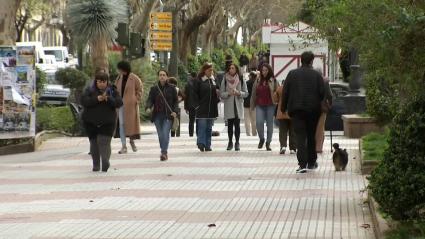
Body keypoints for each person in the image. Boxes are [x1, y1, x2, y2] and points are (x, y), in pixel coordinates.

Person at [282, 51, 325, 173]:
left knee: (300, 136)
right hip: (313, 111)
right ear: (311, 61)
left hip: (296, 110)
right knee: (311, 136)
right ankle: (312, 162)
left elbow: (285, 92)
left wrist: (283, 108)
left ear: (301, 60)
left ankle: (302, 164)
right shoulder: (317, 75)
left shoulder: (292, 74)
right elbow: (322, 93)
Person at [81, 72, 123, 172]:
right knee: (94, 143)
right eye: (99, 82)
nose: (101, 84)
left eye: (103, 82)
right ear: (96, 82)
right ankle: (96, 164)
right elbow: (84, 101)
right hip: (90, 122)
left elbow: (119, 103)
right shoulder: (90, 90)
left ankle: (105, 161)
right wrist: (97, 99)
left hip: (107, 122)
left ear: (107, 82)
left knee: (104, 142)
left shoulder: (112, 90)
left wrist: (108, 99)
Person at [145, 70, 178, 161]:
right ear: (158, 77)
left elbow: (175, 101)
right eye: (160, 75)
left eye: (164, 75)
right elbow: (150, 99)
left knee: (165, 133)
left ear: (167, 77)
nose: (162, 76)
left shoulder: (172, 88)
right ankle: (163, 149)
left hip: (168, 115)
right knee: (160, 135)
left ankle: (164, 152)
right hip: (157, 116)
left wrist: (175, 111)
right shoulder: (154, 88)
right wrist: (148, 107)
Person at [115, 61, 143, 154]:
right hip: (120, 105)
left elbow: (140, 89)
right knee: (121, 124)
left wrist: (136, 99)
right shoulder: (119, 78)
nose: (118, 70)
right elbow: (115, 89)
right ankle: (124, 146)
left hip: (130, 106)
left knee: (130, 125)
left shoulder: (134, 78)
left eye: (120, 68)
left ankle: (132, 141)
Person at [250, 63, 279, 151]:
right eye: (263, 70)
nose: (264, 72)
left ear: (269, 71)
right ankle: (262, 139)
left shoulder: (273, 80)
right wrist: (252, 104)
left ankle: (268, 142)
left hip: (270, 105)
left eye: (266, 70)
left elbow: (277, 92)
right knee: (259, 122)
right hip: (260, 105)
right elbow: (254, 92)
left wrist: (277, 103)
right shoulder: (258, 80)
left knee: (270, 124)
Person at [192, 62, 220, 152]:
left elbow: (218, 92)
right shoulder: (199, 80)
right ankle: (201, 143)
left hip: (211, 108)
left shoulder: (213, 80)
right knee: (202, 126)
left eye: (212, 70)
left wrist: (218, 96)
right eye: (209, 70)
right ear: (204, 70)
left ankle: (208, 145)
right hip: (201, 108)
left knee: (209, 128)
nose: (211, 72)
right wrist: (196, 106)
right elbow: (194, 94)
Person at [220, 63, 248, 151]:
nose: (231, 69)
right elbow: (221, 94)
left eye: (232, 68)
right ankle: (230, 142)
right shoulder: (225, 79)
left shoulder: (241, 79)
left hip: (238, 105)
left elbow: (246, 93)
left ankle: (237, 142)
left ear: (236, 69)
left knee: (237, 125)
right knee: (230, 125)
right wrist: (228, 93)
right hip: (229, 105)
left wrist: (239, 93)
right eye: (230, 68)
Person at [315, 68, 333, 153]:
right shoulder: (325, 81)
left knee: (312, 127)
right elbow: (330, 95)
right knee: (320, 128)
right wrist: (330, 104)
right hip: (322, 108)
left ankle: (311, 146)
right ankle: (318, 148)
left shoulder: (311, 81)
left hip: (311, 107)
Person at [275, 82, 296, 154]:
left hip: (282, 113)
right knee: (293, 131)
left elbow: (275, 99)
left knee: (282, 131)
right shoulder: (294, 88)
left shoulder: (280, 88)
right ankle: (292, 148)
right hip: (292, 113)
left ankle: (283, 146)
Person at [184, 72, 197, 137]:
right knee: (198, 120)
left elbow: (185, 96)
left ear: (191, 76)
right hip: (198, 105)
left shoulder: (187, 84)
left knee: (191, 121)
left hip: (190, 105)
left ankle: (191, 134)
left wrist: (185, 107)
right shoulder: (199, 83)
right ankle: (198, 133)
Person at [244, 71, 257, 136]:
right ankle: (254, 133)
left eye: (249, 75)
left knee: (247, 119)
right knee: (254, 119)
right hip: (254, 104)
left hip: (246, 103)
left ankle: (248, 133)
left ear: (251, 76)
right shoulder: (257, 84)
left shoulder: (246, 83)